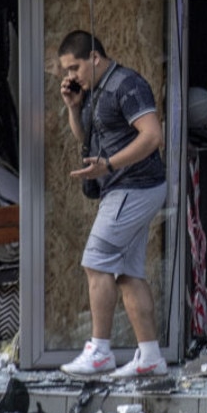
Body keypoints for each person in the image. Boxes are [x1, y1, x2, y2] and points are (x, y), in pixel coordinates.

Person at [56, 29, 168, 380]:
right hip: (123, 187)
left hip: (132, 186)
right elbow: (87, 138)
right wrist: (74, 109)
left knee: (95, 263)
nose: (70, 76)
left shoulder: (126, 84)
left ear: (94, 57)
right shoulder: (92, 92)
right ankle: (150, 357)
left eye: (74, 67)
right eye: (65, 71)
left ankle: (99, 351)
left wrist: (110, 165)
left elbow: (153, 135)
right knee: (126, 274)